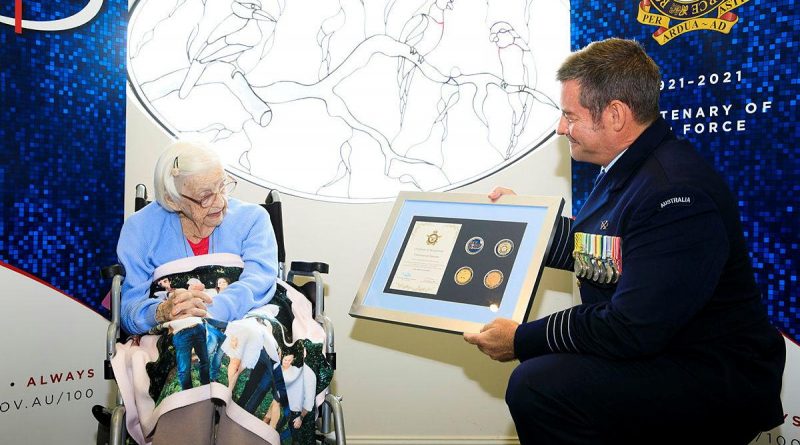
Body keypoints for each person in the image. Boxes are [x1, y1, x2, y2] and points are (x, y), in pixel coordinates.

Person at [463, 38, 785, 444]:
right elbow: (605, 251)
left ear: (615, 114)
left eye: (570, 116)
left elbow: (631, 325)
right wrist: (524, 224)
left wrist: (522, 339)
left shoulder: (674, 193)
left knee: (537, 385)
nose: (562, 128)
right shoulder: (628, 170)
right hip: (664, 349)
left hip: (711, 372)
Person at [116, 140, 280, 444]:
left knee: (252, 338)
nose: (220, 202)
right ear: (173, 198)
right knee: (190, 336)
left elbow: (260, 281)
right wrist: (161, 311)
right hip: (174, 326)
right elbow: (130, 307)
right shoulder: (140, 228)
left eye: (223, 186)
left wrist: (213, 310)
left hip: (248, 313)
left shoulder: (253, 219)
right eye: (206, 195)